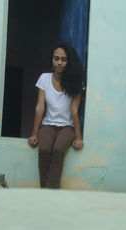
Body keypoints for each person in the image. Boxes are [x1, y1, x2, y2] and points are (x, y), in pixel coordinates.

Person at [28, 42, 85, 189]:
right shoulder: (44, 78)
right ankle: (45, 191)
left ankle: (52, 191)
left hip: (67, 127)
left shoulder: (76, 82)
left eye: (63, 59)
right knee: (45, 148)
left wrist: (78, 137)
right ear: (52, 60)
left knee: (58, 149)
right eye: (56, 58)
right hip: (48, 125)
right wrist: (34, 133)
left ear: (69, 61)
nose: (59, 62)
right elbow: (40, 107)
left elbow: (74, 110)